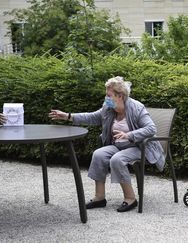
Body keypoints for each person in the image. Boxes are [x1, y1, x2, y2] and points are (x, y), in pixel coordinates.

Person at [48, 76, 165, 212]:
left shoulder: (136, 108)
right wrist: (68, 116)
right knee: (98, 154)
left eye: (109, 95)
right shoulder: (108, 108)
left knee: (117, 159)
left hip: (139, 146)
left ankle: (130, 198)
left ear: (120, 96)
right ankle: (100, 198)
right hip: (118, 145)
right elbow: (92, 117)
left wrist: (129, 135)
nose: (106, 98)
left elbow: (151, 129)